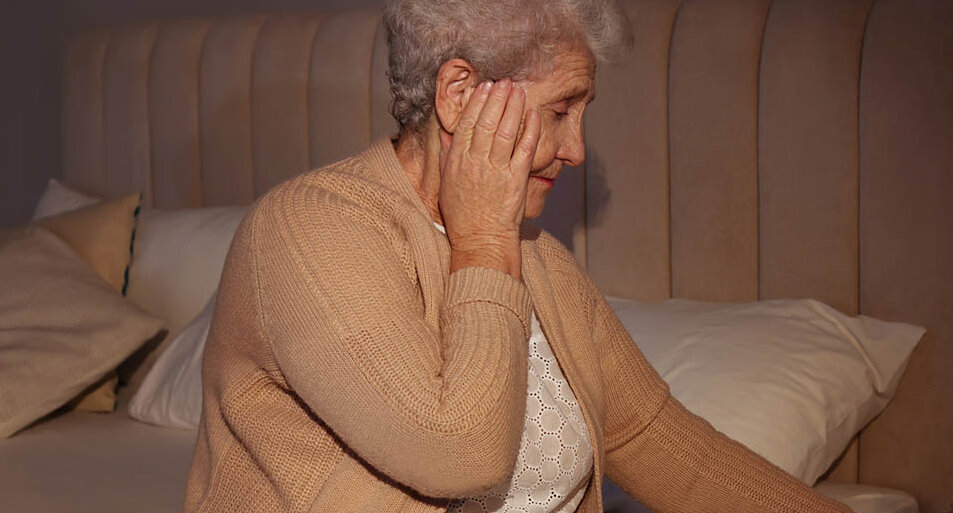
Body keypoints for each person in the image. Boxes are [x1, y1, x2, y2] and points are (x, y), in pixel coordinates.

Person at [183, 1, 853, 512]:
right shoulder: (308, 230)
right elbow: (456, 452)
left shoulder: (539, 262)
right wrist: (481, 242)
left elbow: (673, 450)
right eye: (561, 109)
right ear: (458, 94)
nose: (577, 149)